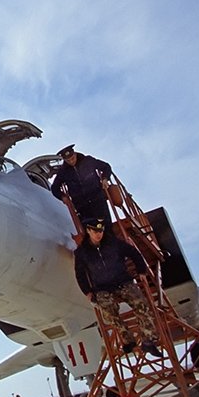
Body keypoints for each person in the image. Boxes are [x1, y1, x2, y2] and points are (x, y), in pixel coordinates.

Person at [73, 217, 160, 356]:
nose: (99, 234)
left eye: (100, 230)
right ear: (88, 231)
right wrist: (87, 292)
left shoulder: (113, 243)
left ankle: (148, 341)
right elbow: (80, 274)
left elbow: (134, 253)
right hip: (102, 288)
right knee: (109, 313)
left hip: (123, 282)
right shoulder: (82, 252)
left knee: (141, 304)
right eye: (95, 231)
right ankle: (128, 340)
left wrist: (141, 270)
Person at [49, 145, 113, 226]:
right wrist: (63, 197)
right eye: (68, 160)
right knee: (90, 229)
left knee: (106, 226)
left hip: (98, 200)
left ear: (75, 154)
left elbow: (106, 167)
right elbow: (54, 188)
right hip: (82, 206)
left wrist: (105, 178)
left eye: (72, 158)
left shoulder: (88, 161)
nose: (71, 162)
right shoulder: (63, 172)